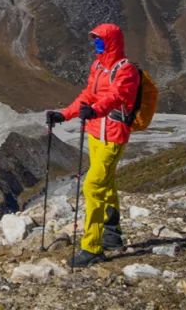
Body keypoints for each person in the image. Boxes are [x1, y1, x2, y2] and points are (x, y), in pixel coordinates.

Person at [46, 23, 140, 267]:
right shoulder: (98, 67)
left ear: (111, 43)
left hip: (113, 135)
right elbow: (88, 95)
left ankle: (92, 246)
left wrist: (95, 110)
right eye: (95, 41)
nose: (96, 46)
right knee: (106, 181)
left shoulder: (126, 70)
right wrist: (65, 114)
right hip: (96, 134)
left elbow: (116, 96)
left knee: (93, 185)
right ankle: (112, 231)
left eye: (100, 41)